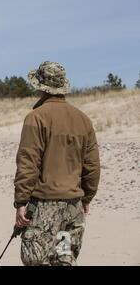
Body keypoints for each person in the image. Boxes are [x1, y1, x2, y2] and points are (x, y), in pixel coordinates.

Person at [13, 61, 100, 266]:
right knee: (64, 260)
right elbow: (93, 167)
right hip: (73, 208)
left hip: (45, 207)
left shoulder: (36, 117)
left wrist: (21, 202)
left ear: (41, 87)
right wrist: (86, 198)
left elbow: (28, 163)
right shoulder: (83, 120)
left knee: (36, 260)